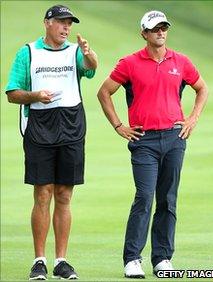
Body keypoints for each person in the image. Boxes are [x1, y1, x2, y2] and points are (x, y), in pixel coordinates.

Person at [97, 10, 208, 278]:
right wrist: (118, 125)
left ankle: (162, 258)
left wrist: (192, 118)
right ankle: (133, 258)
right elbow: (104, 92)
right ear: (144, 33)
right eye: (155, 28)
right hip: (144, 141)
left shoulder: (180, 61)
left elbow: (202, 88)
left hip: (174, 137)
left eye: (164, 28)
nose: (160, 32)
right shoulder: (130, 63)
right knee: (145, 197)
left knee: (168, 199)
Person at [5, 4, 97, 280]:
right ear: (47, 23)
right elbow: (12, 93)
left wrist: (89, 54)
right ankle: (39, 260)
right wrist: (35, 96)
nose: (66, 27)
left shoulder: (75, 51)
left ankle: (61, 261)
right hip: (39, 127)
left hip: (71, 126)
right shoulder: (28, 52)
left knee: (65, 195)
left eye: (69, 23)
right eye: (60, 22)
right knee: (42, 193)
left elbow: (91, 69)